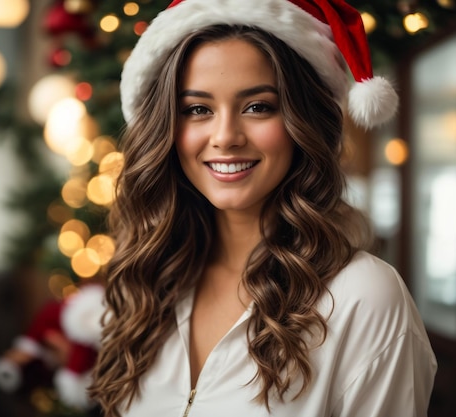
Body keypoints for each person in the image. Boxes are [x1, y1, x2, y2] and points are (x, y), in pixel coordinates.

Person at [89, 1, 437, 416]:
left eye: (258, 106)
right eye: (197, 109)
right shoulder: (146, 282)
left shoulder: (365, 297)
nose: (225, 137)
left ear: (301, 121)